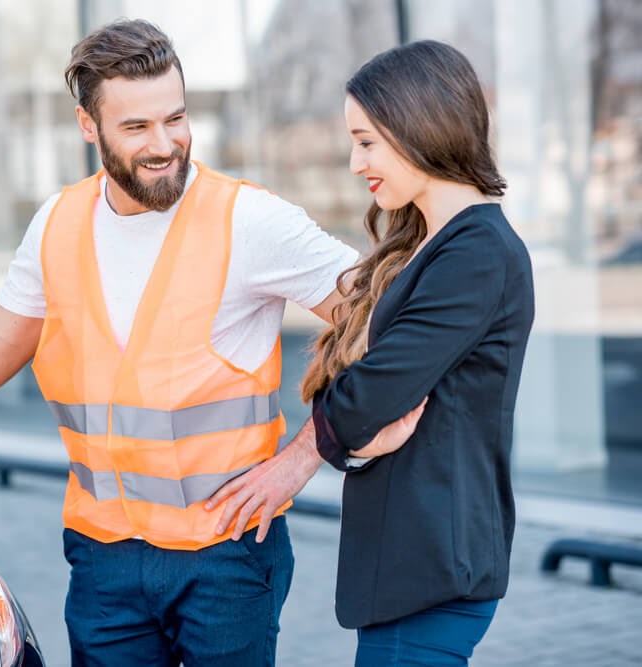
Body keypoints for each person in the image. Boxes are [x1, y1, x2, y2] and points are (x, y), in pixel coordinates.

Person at [0, 18, 413, 667]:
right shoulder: (57, 226)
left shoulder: (251, 221)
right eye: (136, 125)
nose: (165, 143)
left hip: (227, 555)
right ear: (88, 126)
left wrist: (303, 457)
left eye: (175, 118)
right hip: (103, 557)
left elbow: (389, 319)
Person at [215, 40, 535, 666]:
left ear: (419, 126)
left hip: (434, 568)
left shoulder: (478, 254)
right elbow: (372, 400)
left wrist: (331, 445)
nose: (357, 161)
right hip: (408, 562)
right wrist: (357, 443)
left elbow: (373, 391)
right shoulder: (429, 242)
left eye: (367, 140)